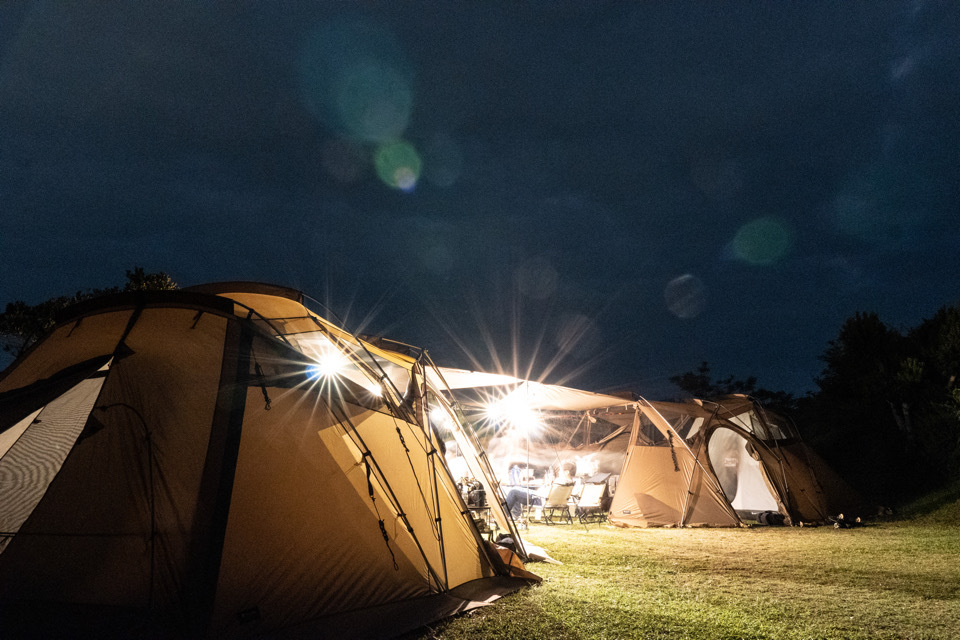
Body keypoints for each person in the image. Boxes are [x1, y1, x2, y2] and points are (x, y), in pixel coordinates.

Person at [505, 461, 577, 519]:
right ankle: (515, 515)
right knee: (516, 489)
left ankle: (504, 514)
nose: (559, 472)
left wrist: (546, 485)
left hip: (539, 498)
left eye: (561, 470)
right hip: (541, 496)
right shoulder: (569, 482)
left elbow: (547, 493)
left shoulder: (560, 481)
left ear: (567, 472)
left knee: (513, 491)